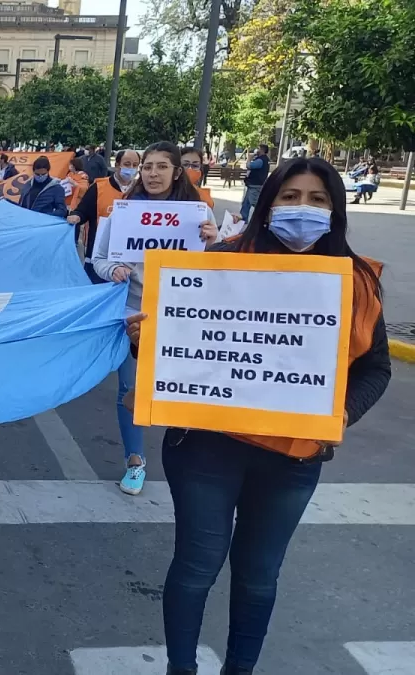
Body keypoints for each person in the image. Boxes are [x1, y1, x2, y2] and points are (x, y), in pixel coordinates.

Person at [126, 156, 389, 675]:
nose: (302, 208)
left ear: (335, 211)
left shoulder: (356, 281)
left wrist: (341, 414)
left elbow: (375, 370)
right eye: (290, 197)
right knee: (197, 567)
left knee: (259, 576)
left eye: (317, 199)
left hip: (294, 457)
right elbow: (177, 352)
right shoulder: (217, 264)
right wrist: (145, 340)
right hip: (206, 448)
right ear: (267, 206)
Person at [92, 141, 217, 497]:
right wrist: (113, 269)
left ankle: (193, 459)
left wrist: (215, 241)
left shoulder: (199, 213)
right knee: (130, 389)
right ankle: (135, 460)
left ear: (177, 172)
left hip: (184, 316)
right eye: (147, 166)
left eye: (162, 166)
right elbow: (99, 258)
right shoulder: (123, 212)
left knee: (188, 389)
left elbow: (222, 269)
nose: (152, 173)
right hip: (134, 315)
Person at [68, 148, 141, 283]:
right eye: (127, 164)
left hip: (128, 261)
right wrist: (76, 216)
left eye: (135, 165)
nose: (131, 168)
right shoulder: (99, 187)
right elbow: (83, 210)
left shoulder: (140, 190)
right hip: (98, 256)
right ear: (117, 165)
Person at [241, 143, 270, 221]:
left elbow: (249, 166)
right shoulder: (264, 159)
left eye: (258, 148)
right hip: (254, 184)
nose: (257, 150)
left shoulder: (260, 160)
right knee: (246, 202)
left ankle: (264, 217)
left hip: (255, 184)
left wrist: (249, 159)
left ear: (262, 150)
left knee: (254, 202)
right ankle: (243, 217)